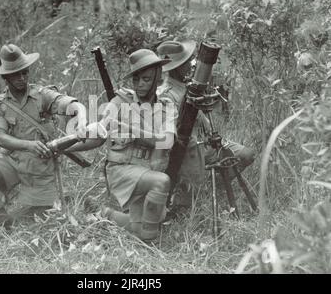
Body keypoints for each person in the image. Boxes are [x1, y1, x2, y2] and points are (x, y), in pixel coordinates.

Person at [67, 49, 176, 242]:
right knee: (161, 182)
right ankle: (150, 245)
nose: (140, 84)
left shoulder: (166, 107)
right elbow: (99, 136)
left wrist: (131, 129)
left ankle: (103, 213)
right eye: (136, 79)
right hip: (122, 169)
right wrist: (66, 147)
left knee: (140, 225)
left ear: (158, 79)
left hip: (148, 169)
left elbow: (166, 141)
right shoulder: (119, 102)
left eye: (146, 79)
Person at [0, 44, 87, 222]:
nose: (22, 78)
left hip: (39, 164)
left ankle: (73, 200)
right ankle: (1, 220)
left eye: (25, 72)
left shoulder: (42, 95)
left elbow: (71, 104)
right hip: (12, 158)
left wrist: (82, 119)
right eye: (16, 74)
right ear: (5, 77)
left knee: (34, 220)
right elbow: (0, 137)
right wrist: (28, 145)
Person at [156, 40, 255, 216]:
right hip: (189, 150)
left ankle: (213, 185)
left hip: (207, 143)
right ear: (176, 67)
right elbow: (171, 136)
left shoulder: (190, 85)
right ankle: (187, 192)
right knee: (186, 210)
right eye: (187, 61)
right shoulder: (166, 95)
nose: (192, 63)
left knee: (245, 155)